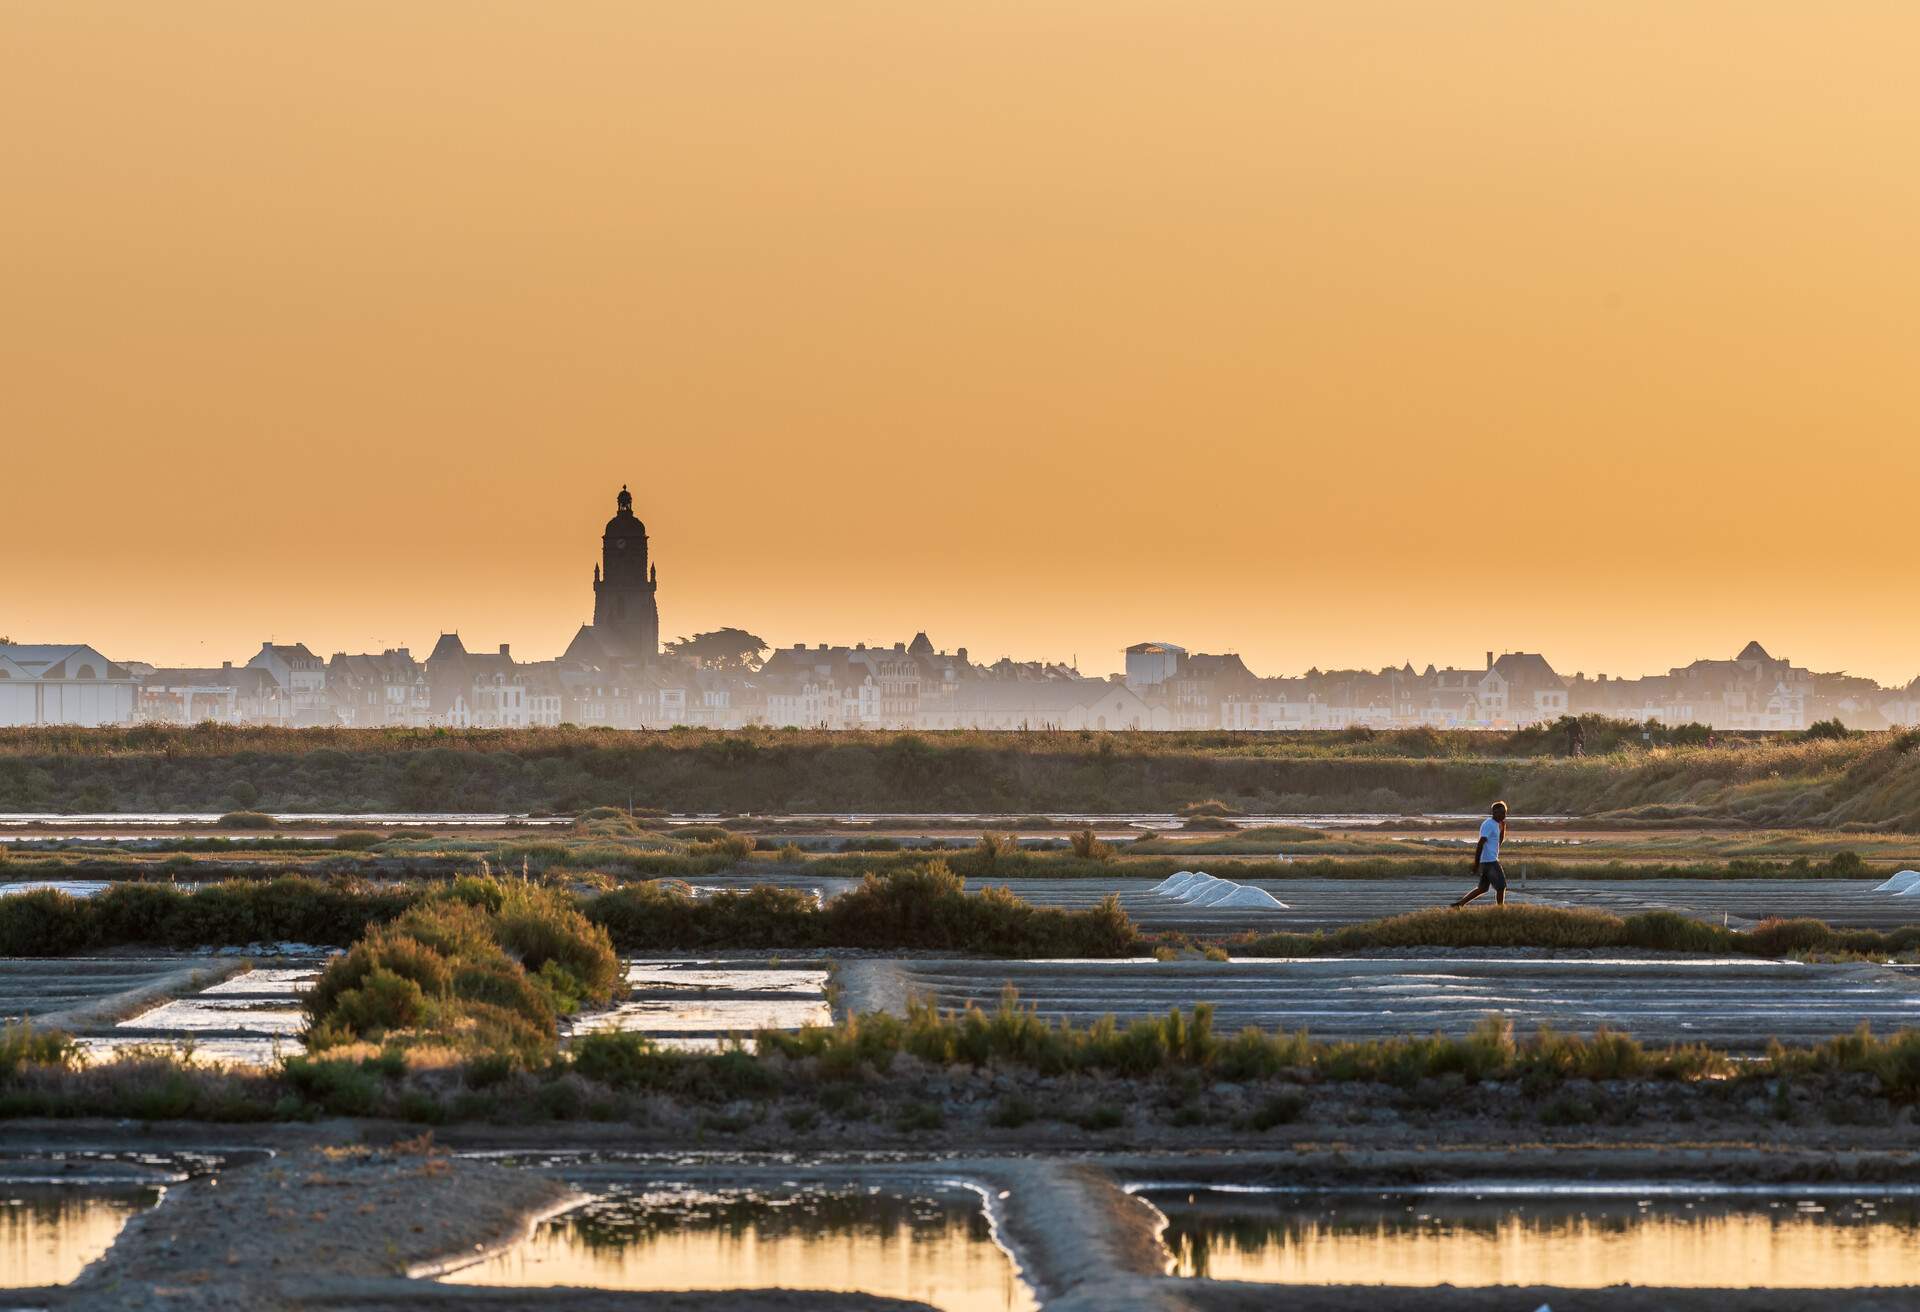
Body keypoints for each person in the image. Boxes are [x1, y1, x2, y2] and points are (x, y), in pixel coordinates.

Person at [1452, 801, 1508, 907]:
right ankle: (1500, 911)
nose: (1504, 815)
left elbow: (1498, 842)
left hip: (1488, 860)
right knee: (1501, 887)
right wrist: (1476, 863)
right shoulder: (1489, 824)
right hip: (1490, 861)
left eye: (1505, 812)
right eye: (1501, 813)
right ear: (1494, 812)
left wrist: (1503, 828)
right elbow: (1480, 844)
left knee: (1482, 888)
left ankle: (1459, 904)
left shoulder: (1497, 824)